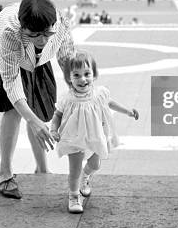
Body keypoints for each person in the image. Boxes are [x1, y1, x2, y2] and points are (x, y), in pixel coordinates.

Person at [0, 0, 75, 199]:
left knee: (41, 110)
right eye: (35, 34)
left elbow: (67, 58)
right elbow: (11, 83)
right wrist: (32, 120)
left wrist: (78, 93)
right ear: (23, 27)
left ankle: (42, 169)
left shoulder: (59, 23)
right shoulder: (10, 32)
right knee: (13, 110)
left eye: (47, 33)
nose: (42, 40)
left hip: (36, 58)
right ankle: (4, 174)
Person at [49, 50, 139, 213]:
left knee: (95, 164)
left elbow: (110, 103)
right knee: (74, 169)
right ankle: (74, 196)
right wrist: (53, 129)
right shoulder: (67, 98)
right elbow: (57, 115)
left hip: (95, 136)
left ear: (94, 74)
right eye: (76, 75)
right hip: (74, 137)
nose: (82, 79)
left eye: (86, 73)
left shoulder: (99, 93)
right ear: (69, 78)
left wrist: (127, 111)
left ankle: (85, 178)